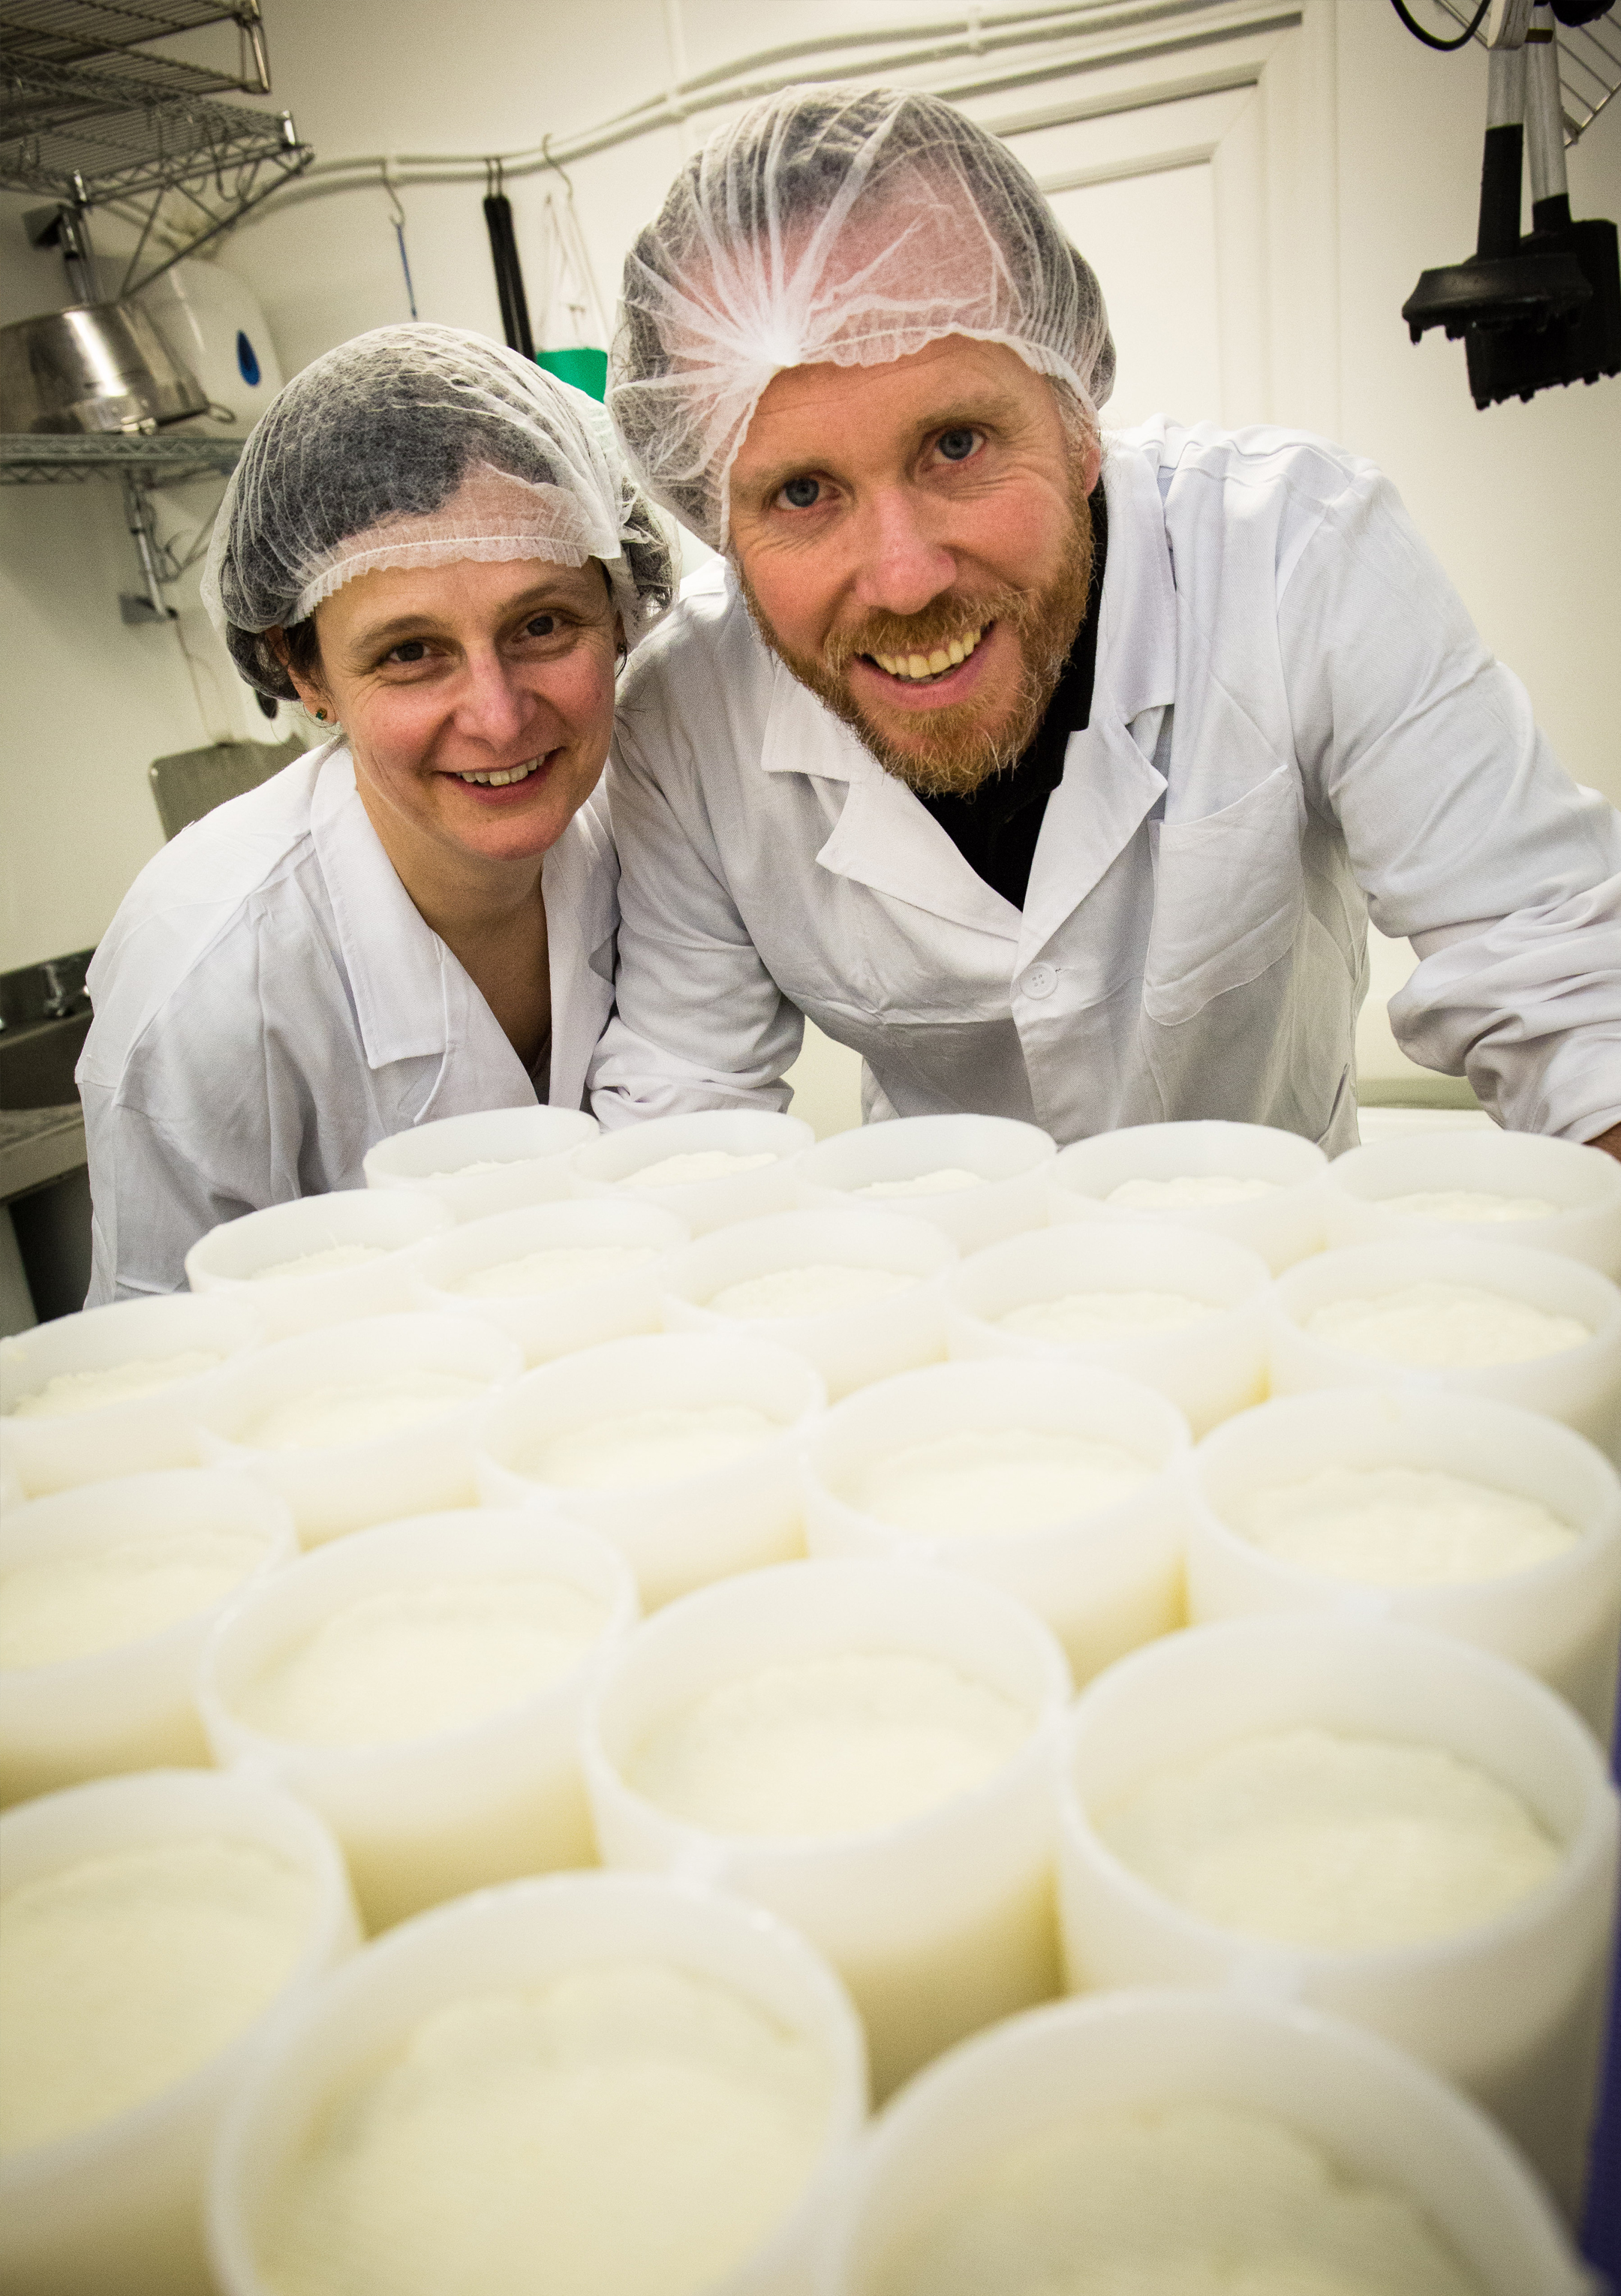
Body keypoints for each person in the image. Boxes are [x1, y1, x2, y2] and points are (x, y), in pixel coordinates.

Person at [591, 87, 1620, 1162]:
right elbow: (682, 1117)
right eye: (801, 493)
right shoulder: (682, 717)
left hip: (1278, 1271)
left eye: (956, 444)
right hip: (948, 1293)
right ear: (720, 518)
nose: (901, 580)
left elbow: (1567, 997)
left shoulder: (1298, 551)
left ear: (1077, 419)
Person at [78, 323, 675, 1303]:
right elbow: (166, 1365)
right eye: (410, 651)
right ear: (304, 670)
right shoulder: (212, 979)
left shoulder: (651, 823)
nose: (498, 713)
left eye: (542, 624)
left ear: (620, 615)